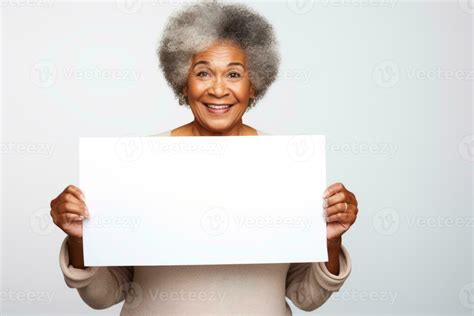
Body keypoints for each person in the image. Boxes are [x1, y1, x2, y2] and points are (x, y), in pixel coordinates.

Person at [50, 2, 359, 315]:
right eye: (203, 73)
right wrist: (79, 239)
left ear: (254, 85)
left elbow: (306, 297)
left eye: (234, 74)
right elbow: (103, 295)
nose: (219, 89)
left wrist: (330, 240)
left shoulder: (288, 165)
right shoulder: (136, 163)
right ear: (184, 81)